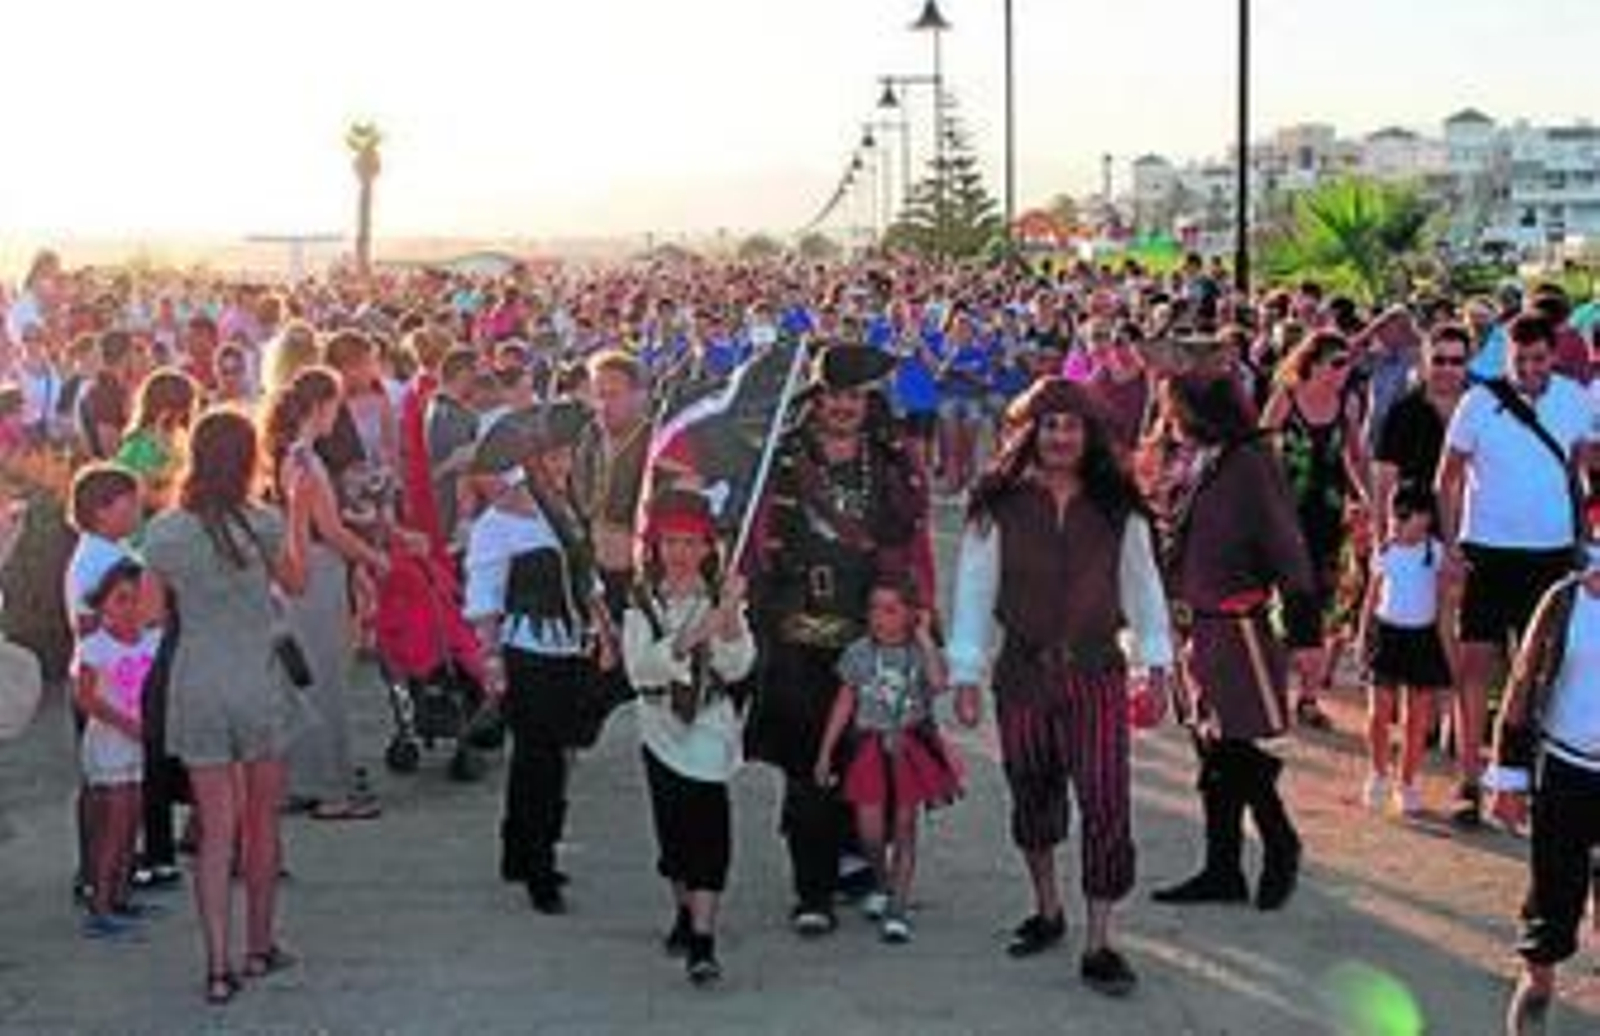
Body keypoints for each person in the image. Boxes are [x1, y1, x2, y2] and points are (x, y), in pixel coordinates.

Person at [946, 376, 1172, 996]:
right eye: (1050, 426)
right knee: (1033, 793)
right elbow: (973, 589)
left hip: (1097, 672)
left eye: (1072, 426)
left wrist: (1155, 666)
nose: (1061, 436)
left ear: (1088, 435)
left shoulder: (1117, 508)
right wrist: (965, 672)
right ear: (1031, 432)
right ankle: (1048, 909)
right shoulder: (998, 506)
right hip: (1022, 672)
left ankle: (1101, 941)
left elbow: (1143, 588)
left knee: (1105, 802)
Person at [746, 342, 924, 936]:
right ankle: (812, 889)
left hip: (873, 636)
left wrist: (922, 617)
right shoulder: (781, 455)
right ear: (816, 397)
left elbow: (912, 542)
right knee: (808, 768)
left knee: (873, 760)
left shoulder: (889, 459)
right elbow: (751, 538)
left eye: (855, 396)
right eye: (834, 395)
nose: (845, 406)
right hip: (798, 636)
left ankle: (864, 870)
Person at [142, 408, 312, 1005]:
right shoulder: (260, 523)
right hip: (256, 677)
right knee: (262, 824)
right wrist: (294, 510)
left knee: (216, 831)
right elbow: (296, 582)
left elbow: (150, 615)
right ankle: (260, 946)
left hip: (198, 677)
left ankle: (217, 964)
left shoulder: (164, 532)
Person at [1149, 372, 1315, 913]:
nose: (1169, 418)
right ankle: (1222, 868)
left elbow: (1285, 542)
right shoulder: (1201, 456)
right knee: (1210, 747)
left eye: (1175, 406)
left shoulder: (1250, 462)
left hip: (1235, 624)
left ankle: (1280, 842)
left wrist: (1304, 626)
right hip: (1194, 623)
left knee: (1233, 747)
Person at [1436, 312, 1595, 827]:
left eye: (1538, 358)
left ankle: (1529, 779)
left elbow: (1585, 466)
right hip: (1487, 549)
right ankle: (1468, 779)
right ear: (1507, 357)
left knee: (1544, 672)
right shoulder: (1479, 402)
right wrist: (1452, 545)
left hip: (1551, 554)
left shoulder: (1575, 398)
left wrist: (1586, 539)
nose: (1528, 368)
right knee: (1474, 665)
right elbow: (1448, 477)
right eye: (1519, 359)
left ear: (1554, 355)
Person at [463, 400, 613, 915]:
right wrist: (491, 659)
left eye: (566, 455)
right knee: (539, 759)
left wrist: (606, 631)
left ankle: (521, 849)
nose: (559, 464)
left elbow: (586, 576)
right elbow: (484, 590)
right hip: (527, 648)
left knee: (557, 754)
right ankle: (539, 864)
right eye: (550, 455)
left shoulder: (568, 506)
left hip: (572, 644)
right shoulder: (502, 517)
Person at [621, 488, 756, 986]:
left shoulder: (720, 599)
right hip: (660, 728)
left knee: (709, 832)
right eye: (670, 541)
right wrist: (688, 637)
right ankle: (683, 909)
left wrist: (731, 621)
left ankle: (703, 939)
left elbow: (740, 666)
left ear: (706, 547)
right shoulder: (641, 602)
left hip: (709, 728)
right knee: (673, 833)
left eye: (689, 542)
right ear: (655, 546)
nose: (679, 552)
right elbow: (639, 670)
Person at [1488, 517, 1600, 1035]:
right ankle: (1536, 993)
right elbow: (1520, 684)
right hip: (1564, 770)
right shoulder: (1565, 601)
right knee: (1552, 900)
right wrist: (1507, 777)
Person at [263, 367, 389, 820]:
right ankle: (330, 787)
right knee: (326, 681)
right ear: (320, 407)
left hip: (302, 573)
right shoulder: (307, 461)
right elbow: (331, 531)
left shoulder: (292, 456)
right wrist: (375, 559)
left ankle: (303, 779)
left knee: (303, 681)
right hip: (316, 574)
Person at [815, 576, 961, 945]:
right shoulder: (860, 652)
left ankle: (898, 905)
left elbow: (939, 682)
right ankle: (881, 881)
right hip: (869, 747)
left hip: (910, 747)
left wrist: (926, 637)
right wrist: (826, 750)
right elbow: (844, 702)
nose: (879, 618)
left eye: (891, 610)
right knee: (870, 832)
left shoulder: (919, 651)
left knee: (905, 827)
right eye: (874, 609)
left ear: (912, 615)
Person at [1260, 329, 1368, 730]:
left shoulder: (1348, 402)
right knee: (1291, 599)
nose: (1344, 371)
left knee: (1320, 604)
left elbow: (1356, 455)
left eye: (1347, 364)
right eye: (1336, 363)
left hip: (1329, 516)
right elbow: (1260, 447)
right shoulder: (1287, 397)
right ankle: (1281, 688)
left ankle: (1307, 697)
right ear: (1314, 363)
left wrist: (1369, 501)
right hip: (1286, 515)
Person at [73, 559, 158, 940]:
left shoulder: (152, 640)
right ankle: (101, 904)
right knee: (115, 824)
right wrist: (128, 726)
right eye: (122, 599)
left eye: (138, 599)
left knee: (131, 823)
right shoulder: (94, 647)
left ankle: (121, 894)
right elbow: (86, 698)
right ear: (103, 604)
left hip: (139, 743)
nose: (131, 607)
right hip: (109, 744)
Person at [1355, 482, 1451, 817]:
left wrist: (1445, 648)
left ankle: (1407, 783)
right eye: (1394, 515)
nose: (1396, 522)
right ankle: (1378, 774)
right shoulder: (1385, 551)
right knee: (1378, 712)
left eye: (1405, 515)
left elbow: (1444, 602)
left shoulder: (1436, 553)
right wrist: (1362, 635)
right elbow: (1371, 596)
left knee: (1417, 719)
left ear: (1425, 518)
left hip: (1421, 639)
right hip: (1387, 636)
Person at [575, 350, 652, 621]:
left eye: (613, 395)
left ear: (639, 396)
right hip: (590, 570)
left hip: (637, 577)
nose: (602, 405)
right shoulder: (588, 436)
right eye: (598, 395)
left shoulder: (654, 444)